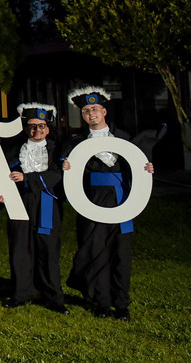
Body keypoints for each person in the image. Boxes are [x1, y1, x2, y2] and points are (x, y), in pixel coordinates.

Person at [63, 86, 156, 320]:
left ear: (104, 111)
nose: (91, 114)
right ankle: (101, 302)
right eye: (86, 111)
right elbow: (68, 174)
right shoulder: (75, 144)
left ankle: (122, 304)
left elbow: (136, 167)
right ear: (82, 115)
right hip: (91, 202)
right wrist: (66, 167)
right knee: (97, 253)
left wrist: (146, 168)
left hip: (122, 201)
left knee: (121, 254)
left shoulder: (124, 138)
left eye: (95, 109)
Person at [4, 102, 67, 314]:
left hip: (47, 201)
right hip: (20, 200)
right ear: (25, 128)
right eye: (32, 126)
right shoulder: (14, 150)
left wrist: (27, 178)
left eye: (41, 126)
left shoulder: (57, 150)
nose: (36, 130)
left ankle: (54, 297)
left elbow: (57, 174)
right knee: (20, 247)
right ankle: (20, 293)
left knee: (48, 249)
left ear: (48, 129)